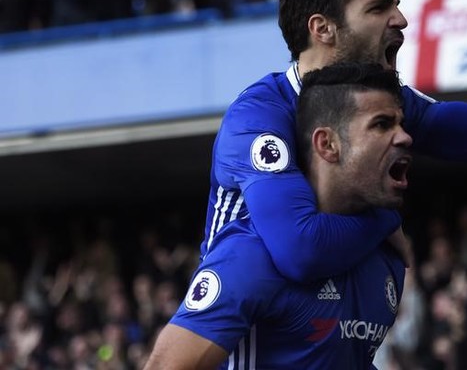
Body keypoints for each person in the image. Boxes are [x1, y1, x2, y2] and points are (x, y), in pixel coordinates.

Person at [193, 0, 467, 291]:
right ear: (322, 29)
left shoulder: (394, 106)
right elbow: (300, 250)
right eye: (379, 8)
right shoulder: (259, 118)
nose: (402, 20)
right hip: (243, 343)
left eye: (395, 5)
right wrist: (384, 220)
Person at [144, 62, 412, 369]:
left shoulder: (387, 258)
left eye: (401, 124)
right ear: (328, 144)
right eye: (381, 124)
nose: (404, 137)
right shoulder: (252, 255)